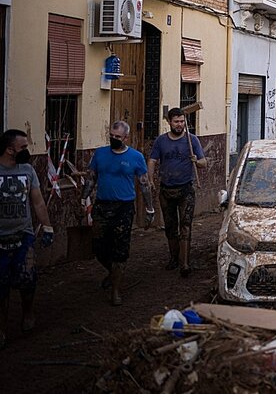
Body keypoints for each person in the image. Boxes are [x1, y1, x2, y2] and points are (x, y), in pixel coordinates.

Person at [81, 121, 153, 306]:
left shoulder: (136, 157)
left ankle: (115, 290)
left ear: (126, 138)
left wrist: (149, 208)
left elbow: (144, 184)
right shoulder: (100, 154)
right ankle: (114, 273)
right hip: (102, 206)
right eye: (111, 136)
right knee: (98, 246)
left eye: (118, 137)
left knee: (120, 250)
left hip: (124, 208)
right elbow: (91, 177)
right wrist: (83, 198)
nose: (114, 139)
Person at [0, 129, 53, 349]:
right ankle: (1, 328)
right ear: (10, 149)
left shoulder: (28, 170)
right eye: (23, 147)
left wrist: (48, 227)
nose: (27, 151)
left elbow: (38, 202)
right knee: (1, 286)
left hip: (24, 235)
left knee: (28, 279)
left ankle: (28, 311)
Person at [148, 108, 206, 277]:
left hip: (186, 189)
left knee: (186, 225)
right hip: (166, 190)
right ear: (169, 122)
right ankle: (173, 258)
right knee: (170, 227)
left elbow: (203, 162)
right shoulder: (161, 141)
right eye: (176, 122)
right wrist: (150, 179)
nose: (180, 125)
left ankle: (185, 263)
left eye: (182, 121)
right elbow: (152, 160)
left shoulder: (192, 140)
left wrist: (197, 160)